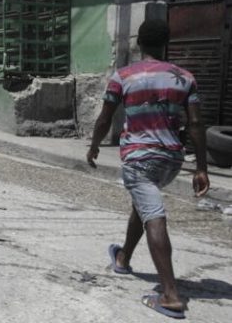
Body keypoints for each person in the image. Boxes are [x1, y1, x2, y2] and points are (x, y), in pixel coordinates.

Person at [87, 19, 210, 320]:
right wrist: (201, 169)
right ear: (165, 44)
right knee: (142, 204)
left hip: (140, 159)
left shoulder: (123, 76)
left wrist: (94, 146)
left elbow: (104, 119)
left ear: (138, 44)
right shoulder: (184, 78)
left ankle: (169, 295)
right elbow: (195, 124)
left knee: (153, 214)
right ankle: (123, 257)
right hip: (171, 159)